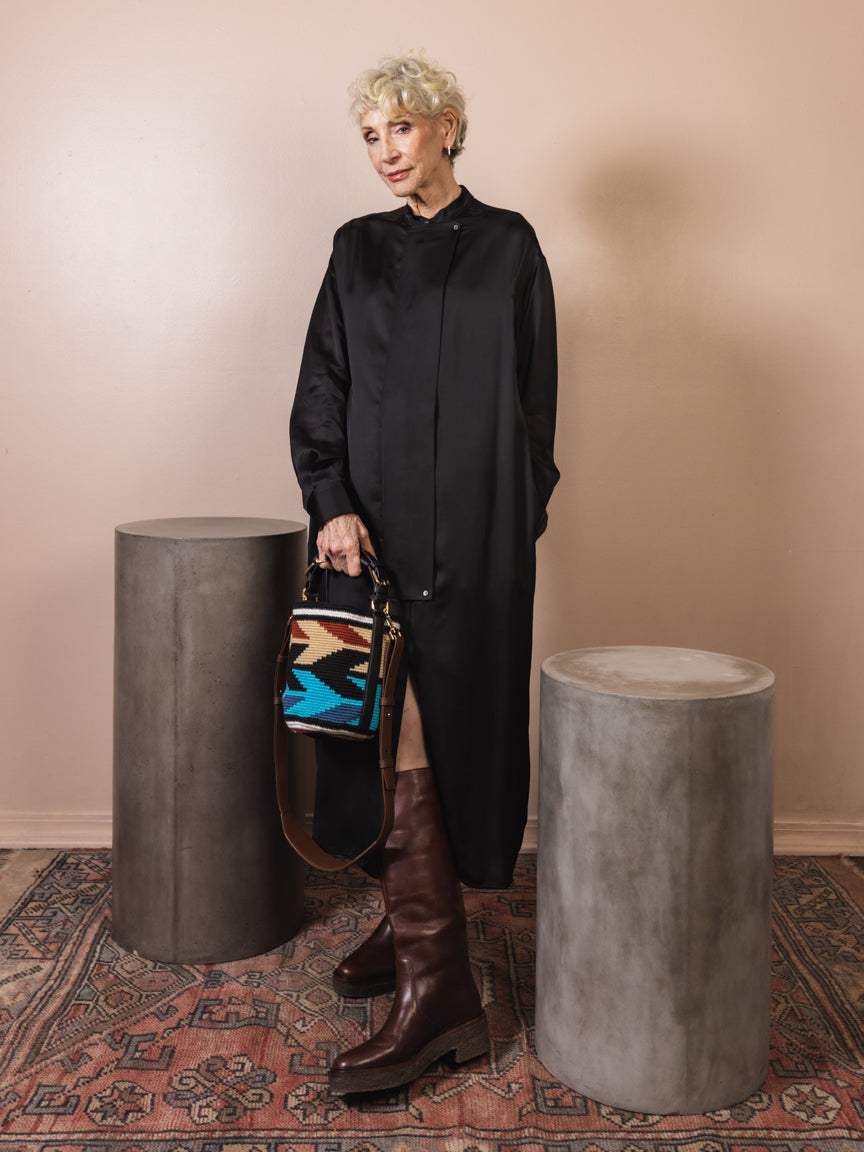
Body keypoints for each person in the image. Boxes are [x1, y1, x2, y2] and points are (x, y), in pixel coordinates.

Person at [290, 54, 558, 1096]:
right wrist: (330, 500)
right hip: (367, 539)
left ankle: (433, 972)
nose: (384, 151)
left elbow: (535, 404)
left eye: (399, 128)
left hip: (476, 543)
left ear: (446, 126)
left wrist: (516, 514)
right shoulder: (354, 248)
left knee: (453, 731)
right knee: (373, 725)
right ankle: (424, 949)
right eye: (369, 135)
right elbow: (324, 383)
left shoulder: (509, 244)